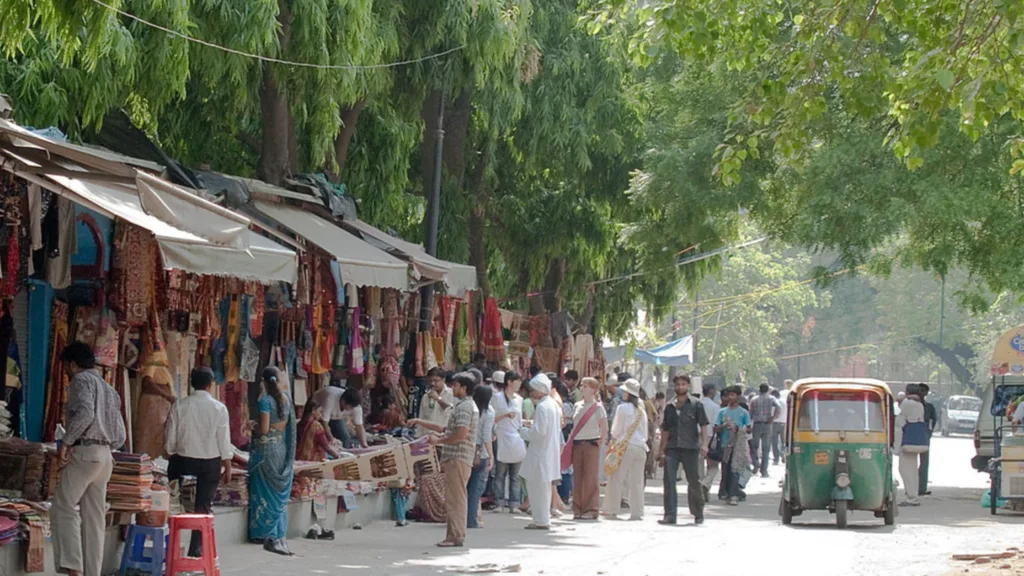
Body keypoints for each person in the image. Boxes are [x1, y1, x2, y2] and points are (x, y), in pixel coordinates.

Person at [52, 342, 127, 576]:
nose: (66, 371)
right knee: (94, 518)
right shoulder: (108, 388)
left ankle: (73, 566)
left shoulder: (81, 381)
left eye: (66, 366)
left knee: (63, 506)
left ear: (73, 364)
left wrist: (67, 441)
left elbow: (85, 412)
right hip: (105, 457)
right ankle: (92, 572)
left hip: (86, 453)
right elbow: (121, 433)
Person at [165, 367, 233, 557]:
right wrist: (227, 465)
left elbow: (170, 436)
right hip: (209, 464)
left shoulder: (180, 405)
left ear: (192, 383)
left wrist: (170, 452)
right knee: (203, 505)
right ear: (211, 385)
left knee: (173, 502)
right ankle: (196, 548)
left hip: (181, 461)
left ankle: (172, 543)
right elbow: (223, 439)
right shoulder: (219, 408)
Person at [412, 373, 479, 547]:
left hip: (458, 457)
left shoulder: (465, 407)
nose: (453, 388)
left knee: (455, 499)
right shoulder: (465, 406)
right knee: (455, 497)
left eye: (456, 385)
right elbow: (447, 428)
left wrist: (439, 440)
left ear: (464, 388)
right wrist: (425, 425)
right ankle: (455, 534)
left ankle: (455, 536)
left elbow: (461, 434)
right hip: (458, 457)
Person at [249, 367, 296, 555]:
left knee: (263, 490)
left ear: (263, 381)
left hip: (266, 451)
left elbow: (265, 429)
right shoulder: (287, 400)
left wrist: (252, 426)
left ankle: (263, 532)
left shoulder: (265, 402)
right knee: (276, 491)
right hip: (281, 449)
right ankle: (278, 531)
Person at [658, 375, 709, 525]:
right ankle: (670, 515)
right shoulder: (669, 406)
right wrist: (661, 451)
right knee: (669, 481)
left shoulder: (696, 404)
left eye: (683, 384)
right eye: (678, 384)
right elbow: (665, 430)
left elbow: (703, 425)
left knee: (693, 481)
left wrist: (704, 444)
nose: (680, 387)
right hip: (672, 448)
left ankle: (698, 513)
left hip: (690, 447)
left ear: (688, 386)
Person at [520, 373, 562, 530]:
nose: (531, 392)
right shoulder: (551, 405)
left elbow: (539, 432)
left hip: (540, 452)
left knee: (537, 488)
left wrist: (523, 432)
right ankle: (542, 518)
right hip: (547, 451)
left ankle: (540, 520)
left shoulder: (544, 406)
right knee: (542, 487)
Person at [603, 378, 648, 520]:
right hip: (640, 447)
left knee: (616, 478)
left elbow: (616, 431)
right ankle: (637, 511)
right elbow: (645, 433)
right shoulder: (642, 411)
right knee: (637, 481)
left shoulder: (622, 408)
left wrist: (612, 444)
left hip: (625, 446)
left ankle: (611, 508)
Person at [570, 377, 608, 520]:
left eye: (586, 386)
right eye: (582, 386)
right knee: (578, 476)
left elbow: (604, 426)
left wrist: (601, 440)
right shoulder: (577, 405)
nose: (582, 389)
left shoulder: (598, 407)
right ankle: (578, 508)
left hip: (591, 443)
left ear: (594, 390)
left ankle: (591, 509)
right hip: (577, 443)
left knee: (591, 477)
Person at [491, 371, 525, 513]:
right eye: (517, 381)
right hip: (501, 436)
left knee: (515, 474)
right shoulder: (497, 398)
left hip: (516, 436)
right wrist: (505, 415)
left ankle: (514, 503)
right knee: (500, 473)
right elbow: (491, 419)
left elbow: (520, 420)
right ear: (509, 382)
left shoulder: (520, 399)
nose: (519, 384)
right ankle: (499, 502)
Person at [716, 385, 752, 505]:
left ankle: (733, 495)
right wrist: (724, 426)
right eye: (728, 395)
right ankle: (726, 492)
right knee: (725, 470)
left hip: (738, 445)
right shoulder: (722, 412)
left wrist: (739, 428)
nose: (730, 398)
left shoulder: (743, 412)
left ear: (738, 396)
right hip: (725, 445)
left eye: (732, 395)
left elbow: (749, 428)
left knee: (735, 469)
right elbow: (716, 427)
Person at [895, 384, 929, 506]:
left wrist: (896, 446)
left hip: (908, 441)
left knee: (905, 469)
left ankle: (911, 497)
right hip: (918, 440)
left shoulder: (907, 404)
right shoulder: (920, 404)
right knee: (913, 470)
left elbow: (899, 424)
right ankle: (913, 495)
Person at [467, 385, 494, 529]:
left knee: (464, 487)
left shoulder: (470, 409)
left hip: (466, 450)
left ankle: (459, 518)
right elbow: (486, 436)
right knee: (476, 489)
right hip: (480, 453)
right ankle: (471, 520)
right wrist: (491, 456)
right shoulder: (488, 413)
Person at [749, 383, 781, 478]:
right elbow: (778, 407)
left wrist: (749, 425)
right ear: (767, 390)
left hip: (757, 425)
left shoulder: (754, 399)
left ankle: (755, 463)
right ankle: (764, 471)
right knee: (766, 449)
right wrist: (773, 417)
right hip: (767, 424)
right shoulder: (771, 398)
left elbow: (750, 413)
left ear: (759, 389)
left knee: (754, 447)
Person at [311, 371, 349, 446]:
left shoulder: (353, 404)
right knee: (323, 437)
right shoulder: (329, 399)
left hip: (332, 416)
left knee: (345, 436)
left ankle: (346, 454)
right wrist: (332, 439)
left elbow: (359, 426)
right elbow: (324, 423)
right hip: (321, 414)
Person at [699, 383, 722, 503]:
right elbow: (716, 425)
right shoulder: (715, 407)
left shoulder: (697, 404)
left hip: (696, 437)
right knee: (713, 466)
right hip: (710, 437)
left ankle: (701, 489)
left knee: (698, 465)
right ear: (711, 392)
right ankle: (705, 484)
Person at [418, 367, 455, 438]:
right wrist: (419, 436)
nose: (432, 383)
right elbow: (422, 417)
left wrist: (438, 399)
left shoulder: (452, 394)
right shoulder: (426, 397)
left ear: (443, 380)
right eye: (430, 381)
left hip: (445, 438)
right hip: (429, 438)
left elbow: (451, 409)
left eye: (436, 381)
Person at [918, 383, 937, 496]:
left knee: (924, 463)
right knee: (910, 463)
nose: (921, 393)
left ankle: (922, 488)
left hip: (924, 437)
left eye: (923, 391)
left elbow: (933, 421)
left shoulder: (929, 407)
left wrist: (929, 433)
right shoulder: (909, 405)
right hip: (911, 438)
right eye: (920, 390)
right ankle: (912, 487)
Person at [771, 385, 789, 465]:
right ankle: (784, 455)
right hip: (784, 423)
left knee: (774, 442)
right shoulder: (784, 401)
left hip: (775, 423)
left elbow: (772, 412)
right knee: (784, 442)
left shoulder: (774, 402)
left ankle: (776, 459)